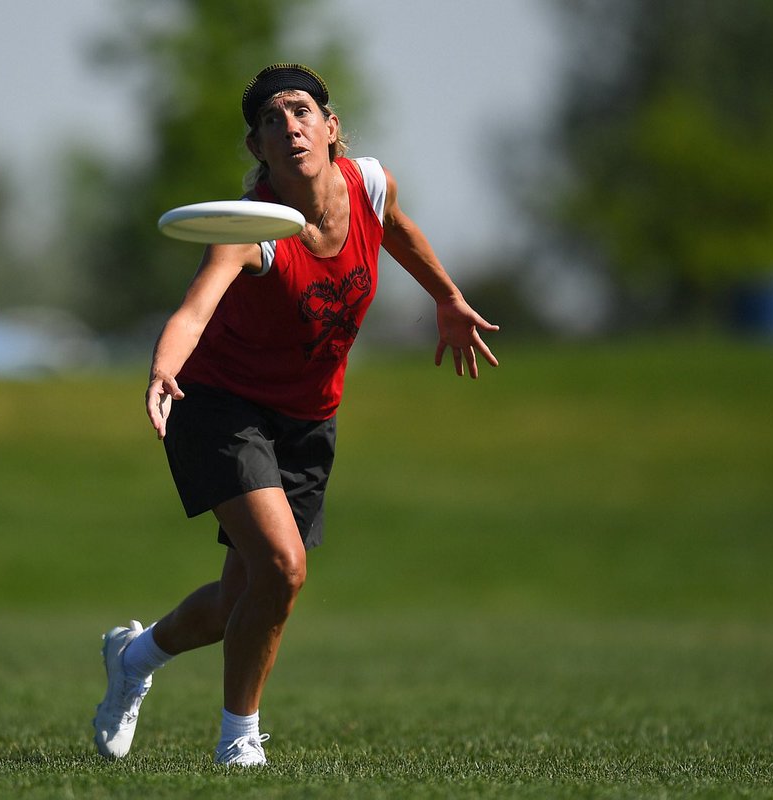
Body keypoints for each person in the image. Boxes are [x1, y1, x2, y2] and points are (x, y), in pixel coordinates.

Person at [93, 63, 499, 767]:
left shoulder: (371, 183)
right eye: (272, 120)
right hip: (218, 405)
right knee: (282, 567)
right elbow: (195, 309)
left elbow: (395, 228)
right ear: (258, 149)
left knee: (238, 601)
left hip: (308, 418)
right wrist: (162, 366)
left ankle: (135, 656)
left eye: (302, 110)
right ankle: (238, 742)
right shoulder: (249, 228)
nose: (290, 126)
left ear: (331, 127)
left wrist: (446, 297)